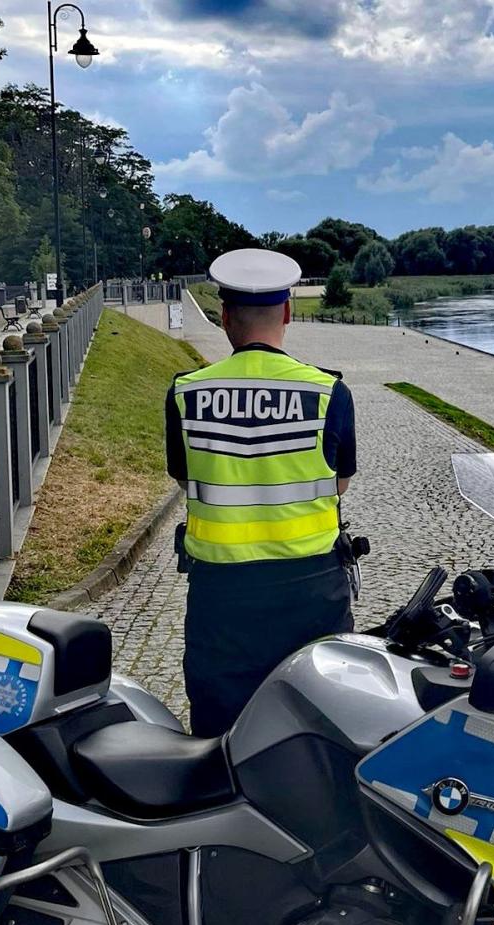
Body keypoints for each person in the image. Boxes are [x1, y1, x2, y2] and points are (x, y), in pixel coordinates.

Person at [165, 249, 357, 738]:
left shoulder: (186, 393)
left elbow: (187, 480)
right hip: (311, 592)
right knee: (319, 728)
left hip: (221, 599)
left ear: (224, 317)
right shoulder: (328, 393)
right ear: (288, 313)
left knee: (219, 734)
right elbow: (339, 484)